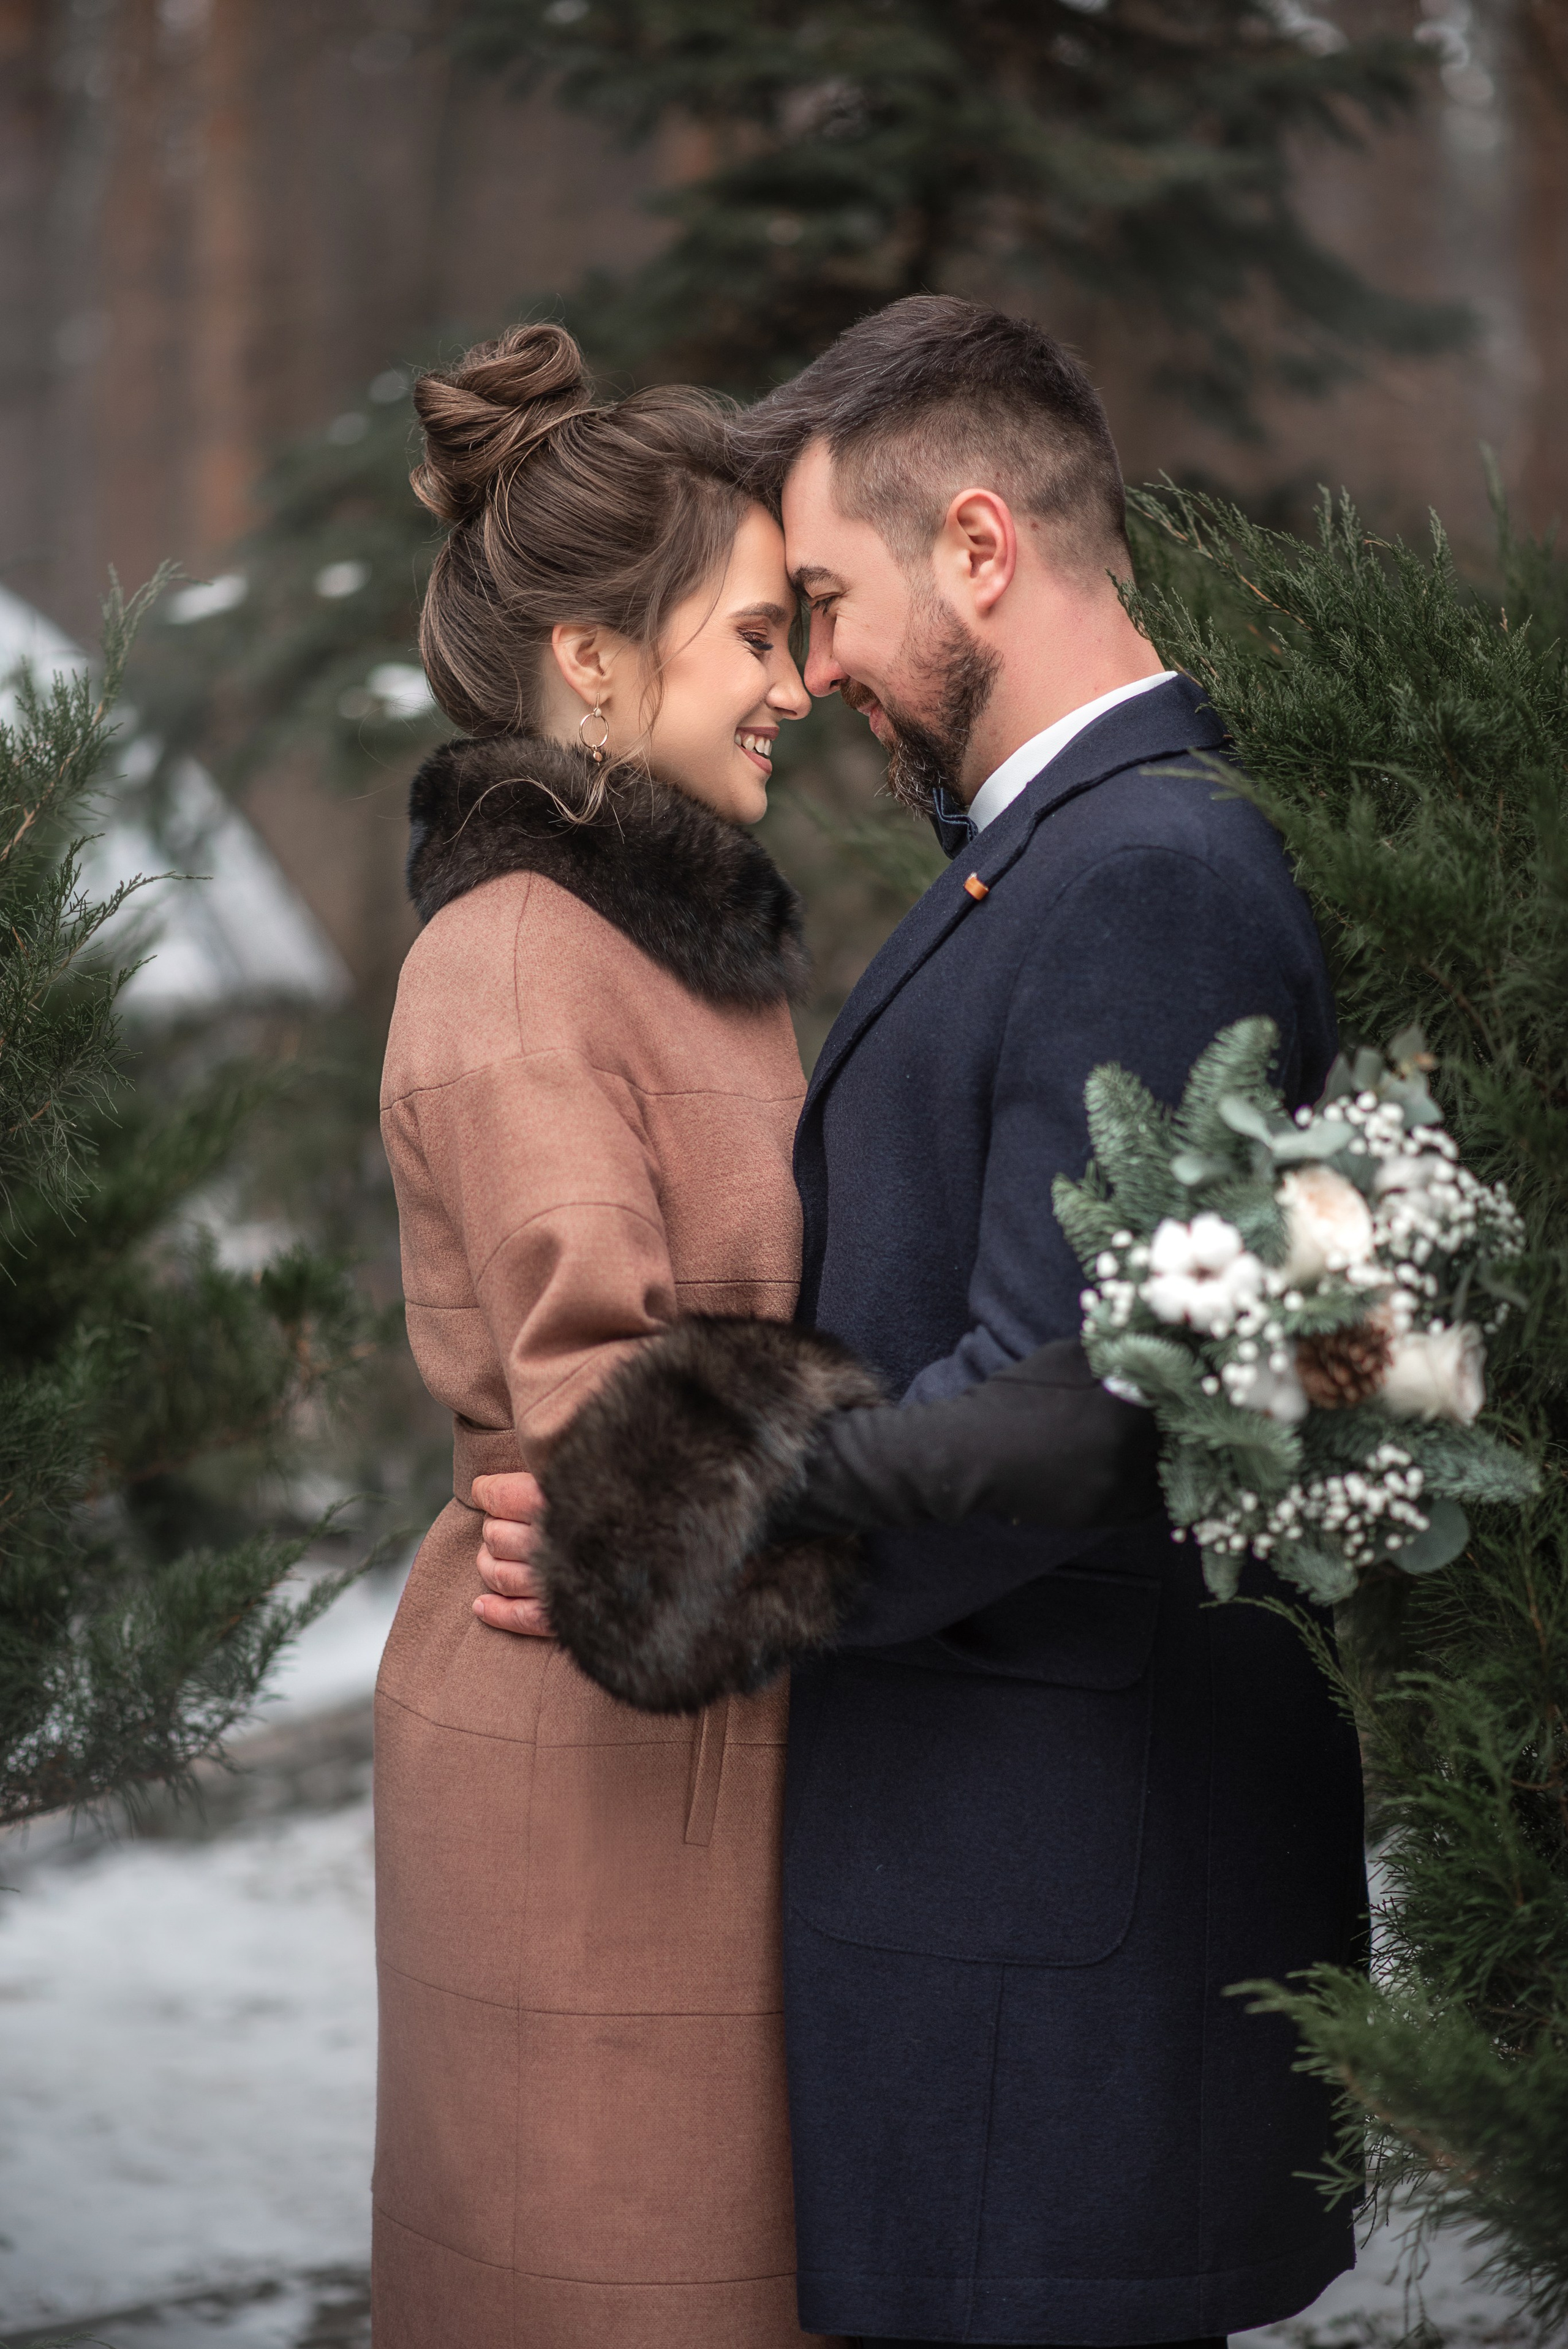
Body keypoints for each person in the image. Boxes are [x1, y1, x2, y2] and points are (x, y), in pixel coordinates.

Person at [475, 299, 1367, 2349]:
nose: (816, 668)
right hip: (998, 1929)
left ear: (981, 550)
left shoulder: (1146, 871)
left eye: (826, 601)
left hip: (1050, 1963)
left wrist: (673, 1526)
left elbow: (1064, 1412)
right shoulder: (1054, 860)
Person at [374, 319, 1161, 2349]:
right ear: (594, 660)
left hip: (737, 1738)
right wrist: (967, 1437)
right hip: (595, 1745)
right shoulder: (516, 958)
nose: (800, 685)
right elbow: (622, 1452)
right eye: (751, 635)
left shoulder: (683, 953)